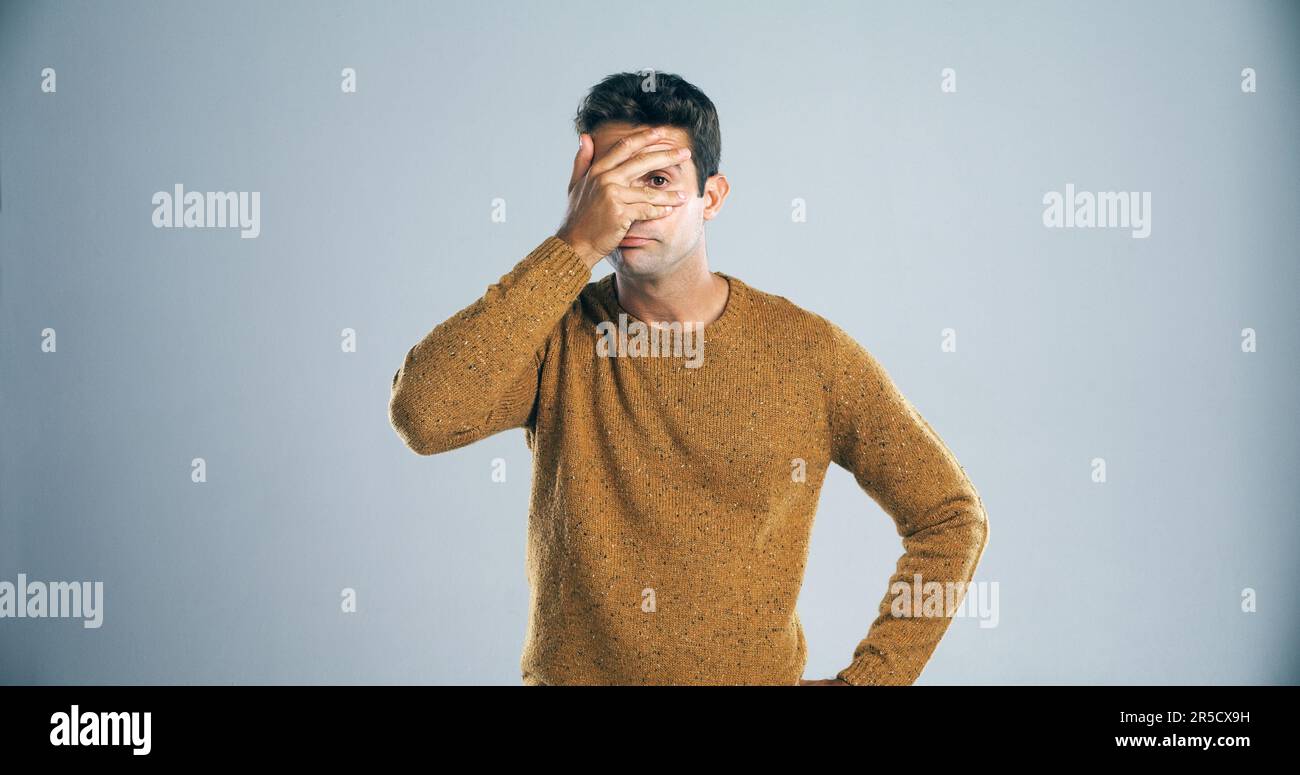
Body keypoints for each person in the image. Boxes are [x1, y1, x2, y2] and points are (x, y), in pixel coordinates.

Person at [388, 71, 989, 685]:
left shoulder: (808, 353)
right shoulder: (553, 336)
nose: (630, 208)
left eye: (656, 180)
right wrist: (572, 245)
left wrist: (873, 682)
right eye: (609, 184)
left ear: (713, 196)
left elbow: (948, 514)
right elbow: (425, 416)